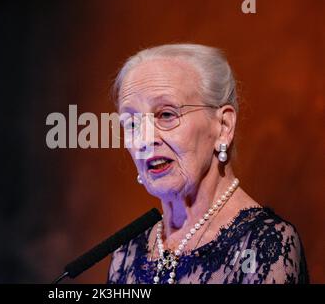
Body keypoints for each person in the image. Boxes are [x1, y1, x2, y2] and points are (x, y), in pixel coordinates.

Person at [107, 44, 309, 284]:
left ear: (223, 126)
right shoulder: (126, 253)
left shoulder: (265, 246)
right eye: (131, 123)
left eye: (166, 115)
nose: (144, 140)